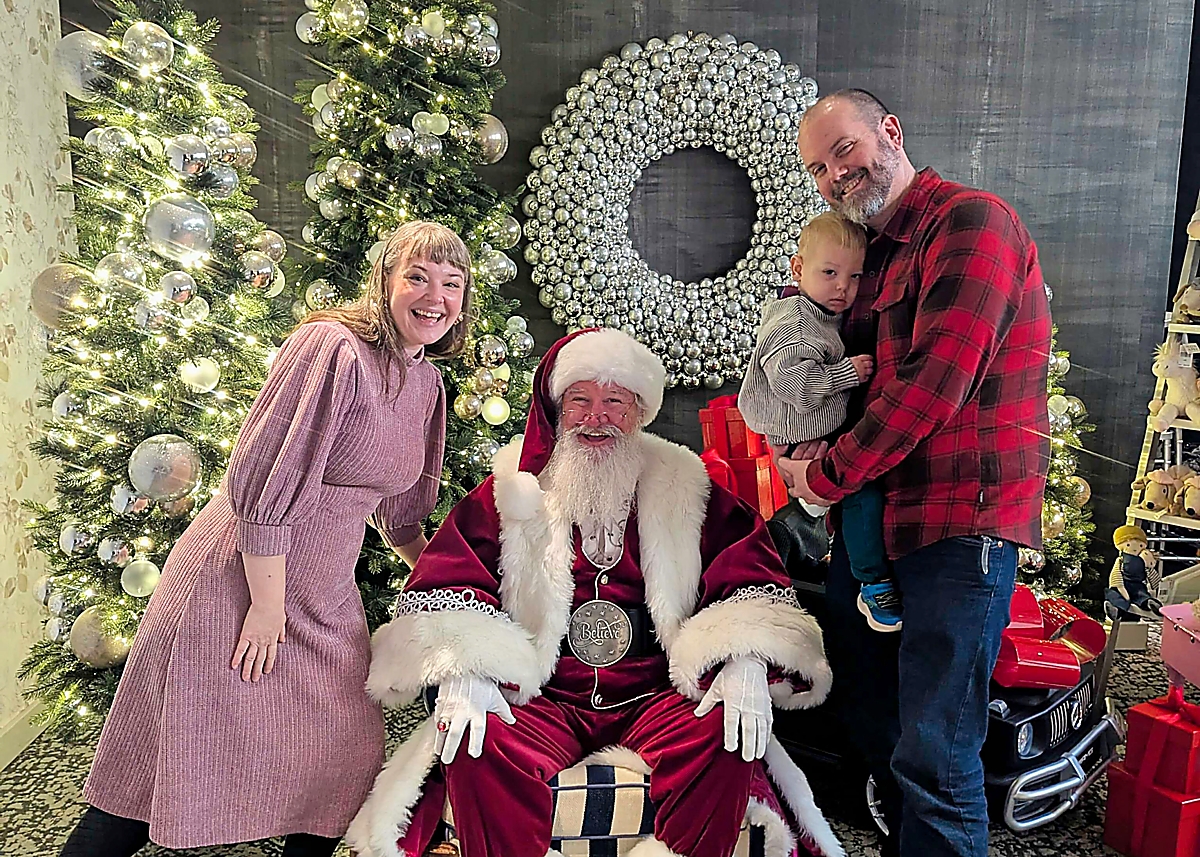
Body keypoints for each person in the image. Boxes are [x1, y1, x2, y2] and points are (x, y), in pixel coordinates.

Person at [346, 328, 844, 857]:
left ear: (640, 412)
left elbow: (749, 577)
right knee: (476, 741)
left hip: (656, 694)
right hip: (545, 695)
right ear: (558, 411)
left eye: (615, 402)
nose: (596, 417)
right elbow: (451, 579)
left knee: (728, 733)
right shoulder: (513, 490)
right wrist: (465, 665)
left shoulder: (687, 486)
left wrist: (744, 659)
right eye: (580, 400)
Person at [60, 221, 471, 857]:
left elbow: (399, 516)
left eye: (451, 283)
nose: (434, 296)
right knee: (159, 766)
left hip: (323, 592)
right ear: (384, 281)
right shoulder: (331, 347)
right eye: (416, 276)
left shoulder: (425, 384)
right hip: (238, 580)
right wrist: (266, 604)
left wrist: (455, 584)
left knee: (342, 757)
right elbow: (260, 476)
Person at [779, 89, 1051, 857]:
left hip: (957, 525)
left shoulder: (971, 223)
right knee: (879, 728)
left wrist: (823, 477)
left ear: (890, 132)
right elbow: (840, 379)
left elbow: (934, 383)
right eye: (818, 168)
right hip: (875, 527)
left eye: (844, 150)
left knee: (936, 749)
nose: (835, 175)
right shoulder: (868, 254)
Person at [738, 211, 900, 632]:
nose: (843, 287)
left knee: (843, 498)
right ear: (798, 268)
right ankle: (872, 582)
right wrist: (847, 373)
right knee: (860, 494)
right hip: (801, 434)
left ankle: (808, 527)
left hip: (813, 431)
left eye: (854, 276)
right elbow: (793, 384)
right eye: (829, 273)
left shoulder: (821, 312)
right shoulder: (795, 320)